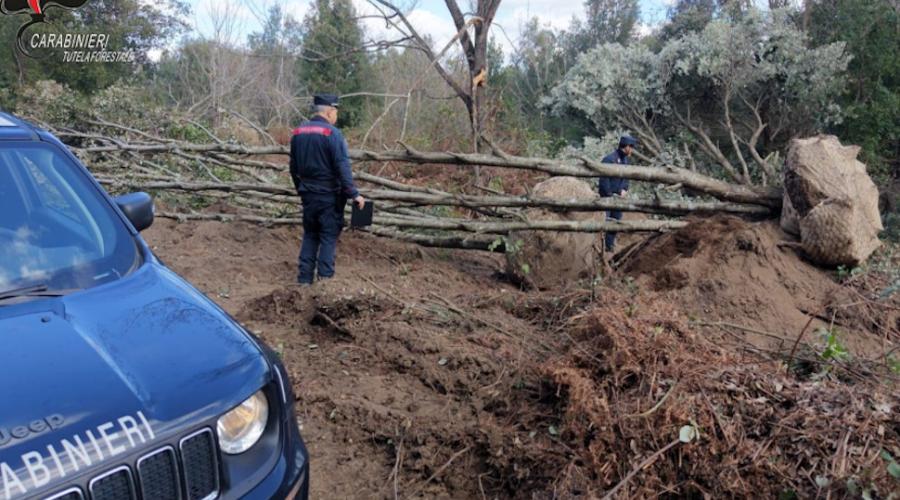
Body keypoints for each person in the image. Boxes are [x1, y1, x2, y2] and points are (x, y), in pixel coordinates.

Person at [289, 93, 366, 285]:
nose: (336, 116)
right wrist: (354, 194)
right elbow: (342, 166)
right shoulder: (332, 134)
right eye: (336, 112)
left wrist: (301, 189)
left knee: (310, 235)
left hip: (308, 195)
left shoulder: (298, 132)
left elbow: (293, 167)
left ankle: (304, 280)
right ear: (330, 111)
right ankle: (325, 281)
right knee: (328, 237)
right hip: (329, 196)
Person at [598, 135, 637, 252]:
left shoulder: (625, 160)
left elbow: (626, 178)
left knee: (615, 222)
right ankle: (600, 247)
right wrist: (609, 194)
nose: (632, 150)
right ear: (627, 147)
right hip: (608, 198)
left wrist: (624, 189)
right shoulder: (609, 159)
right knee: (605, 221)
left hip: (619, 198)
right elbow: (604, 181)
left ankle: (609, 247)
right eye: (632, 147)